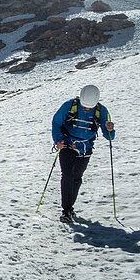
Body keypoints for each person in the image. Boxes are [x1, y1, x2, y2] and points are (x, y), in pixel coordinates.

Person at [51, 84, 114, 223]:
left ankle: (70, 207)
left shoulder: (102, 111)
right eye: (84, 106)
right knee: (67, 175)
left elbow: (109, 136)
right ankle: (66, 210)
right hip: (67, 143)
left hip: (86, 147)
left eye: (89, 107)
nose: (86, 109)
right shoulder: (69, 105)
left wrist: (110, 129)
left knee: (77, 177)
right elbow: (56, 123)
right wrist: (58, 140)